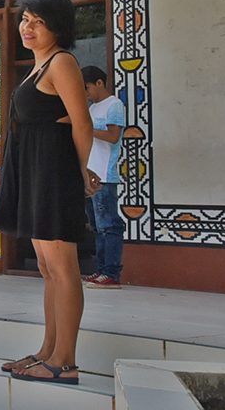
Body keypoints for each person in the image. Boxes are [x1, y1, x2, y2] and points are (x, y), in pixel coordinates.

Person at [0, 0, 97, 385]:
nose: (28, 27)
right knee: (47, 268)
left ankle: (65, 362)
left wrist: (82, 170)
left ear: (58, 27)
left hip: (54, 171)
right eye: (25, 19)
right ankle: (47, 350)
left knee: (63, 267)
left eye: (38, 21)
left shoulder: (62, 62)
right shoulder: (36, 68)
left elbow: (82, 122)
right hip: (34, 169)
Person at [81, 66, 126, 289]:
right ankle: (101, 270)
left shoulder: (114, 105)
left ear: (99, 83)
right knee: (98, 227)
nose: (86, 93)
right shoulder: (92, 108)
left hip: (105, 175)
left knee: (109, 225)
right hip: (92, 174)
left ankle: (111, 273)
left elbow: (113, 135)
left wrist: (85, 129)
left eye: (87, 87)